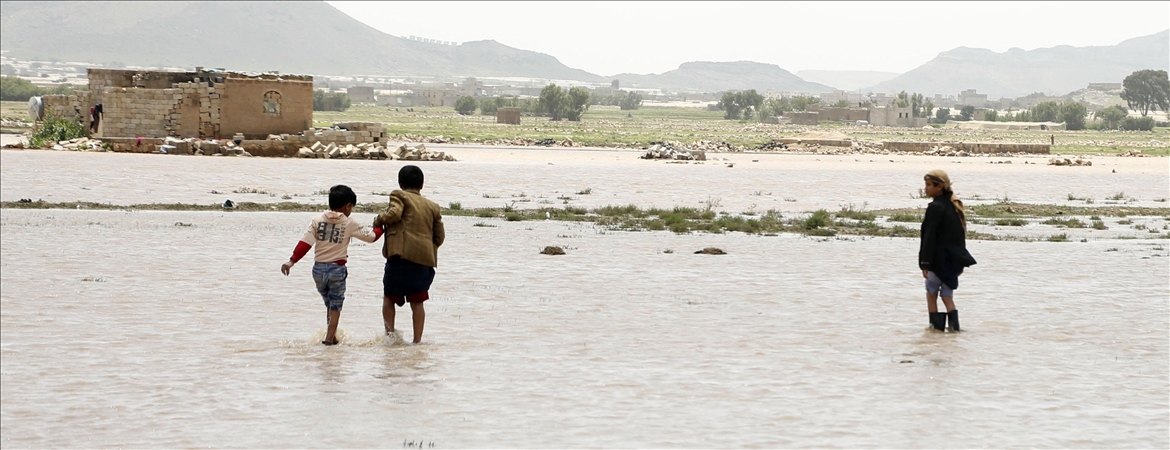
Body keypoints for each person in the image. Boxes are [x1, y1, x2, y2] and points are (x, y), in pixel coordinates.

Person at [281, 185, 383, 345]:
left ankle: (332, 335)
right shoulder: (349, 223)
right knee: (336, 306)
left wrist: (291, 261)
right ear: (347, 206)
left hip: (318, 270)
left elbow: (305, 243)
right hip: (337, 270)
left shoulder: (317, 220)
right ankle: (329, 339)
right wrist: (380, 227)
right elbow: (371, 237)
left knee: (329, 304)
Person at [374, 165, 445, 344]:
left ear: (401, 184)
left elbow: (394, 214)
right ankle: (417, 342)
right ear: (421, 185)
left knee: (389, 298)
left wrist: (379, 220)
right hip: (424, 261)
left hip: (400, 258)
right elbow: (440, 237)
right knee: (417, 302)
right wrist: (425, 248)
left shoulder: (398, 195)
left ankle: (390, 338)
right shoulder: (433, 207)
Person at [919, 170, 976, 332]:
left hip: (937, 260)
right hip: (951, 261)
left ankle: (935, 329)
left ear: (940, 186)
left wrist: (925, 263)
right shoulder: (954, 207)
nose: (926, 188)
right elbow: (959, 237)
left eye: (929, 185)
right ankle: (954, 330)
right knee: (947, 296)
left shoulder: (935, 207)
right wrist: (960, 262)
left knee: (931, 293)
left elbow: (929, 237)